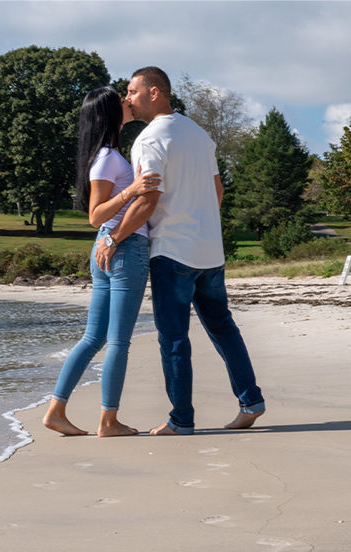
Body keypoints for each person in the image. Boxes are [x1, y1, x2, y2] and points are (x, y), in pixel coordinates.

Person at [119, 66, 265, 435]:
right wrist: (201, 223)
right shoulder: (198, 134)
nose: (127, 99)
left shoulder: (149, 140)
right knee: (224, 329)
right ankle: (251, 401)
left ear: (154, 92)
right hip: (210, 252)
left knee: (173, 338)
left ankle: (181, 420)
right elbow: (217, 191)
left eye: (132, 92)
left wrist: (114, 236)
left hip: (172, 252)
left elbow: (148, 199)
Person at [43, 88, 161, 439]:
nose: (128, 101)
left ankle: (56, 411)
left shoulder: (108, 154)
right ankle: (108, 421)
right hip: (124, 247)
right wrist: (132, 191)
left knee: (93, 337)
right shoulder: (108, 158)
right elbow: (95, 215)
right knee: (117, 342)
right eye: (121, 99)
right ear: (110, 111)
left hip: (110, 249)